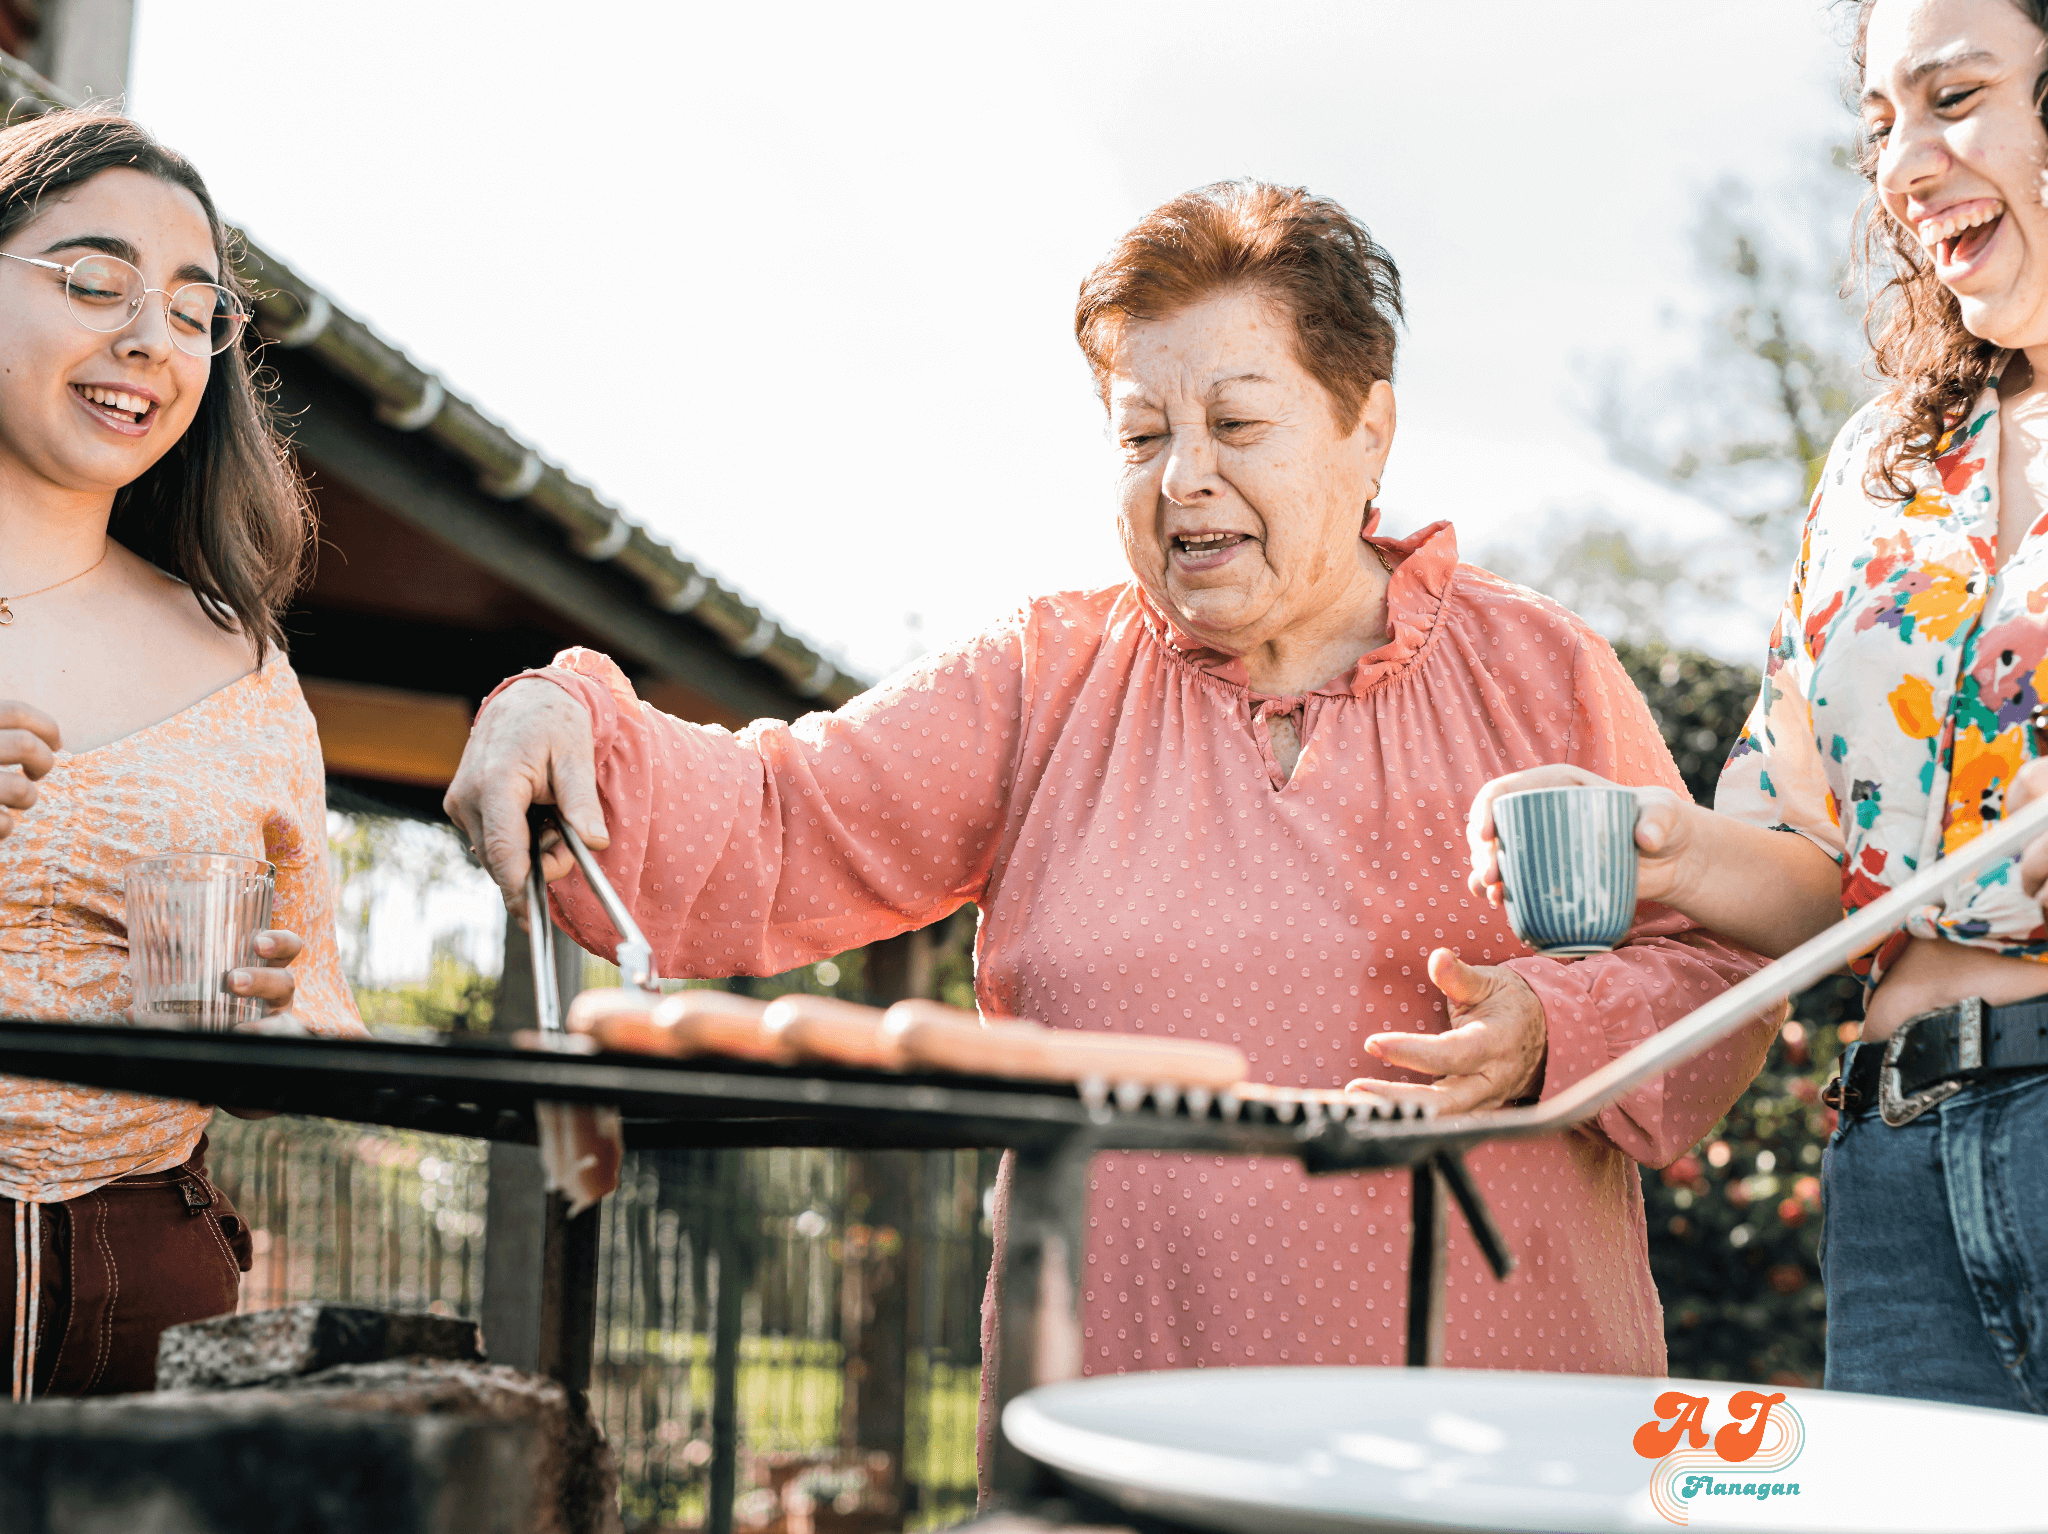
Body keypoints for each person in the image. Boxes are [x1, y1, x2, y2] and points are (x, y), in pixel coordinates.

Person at [448, 180, 1778, 1409]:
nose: (1182, 475)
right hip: (1118, 1429)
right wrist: (567, 715)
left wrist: (1553, 1025)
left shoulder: (1539, 671)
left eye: (1236, 423)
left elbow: (1710, 970)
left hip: (1490, 1438)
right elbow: (784, 816)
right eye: (1141, 434)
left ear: (1367, 425)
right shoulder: (1046, 678)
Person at [1467, 0, 2048, 1415]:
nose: (1905, 164)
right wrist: (1660, 846)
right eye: (1876, 126)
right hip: (1899, 1163)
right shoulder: (1881, 466)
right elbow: (1819, 869)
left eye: (1954, 96)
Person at [0, 109, 360, 1399]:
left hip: (147, 1295)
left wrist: (266, 1020)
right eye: (94, 282)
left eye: (195, 309)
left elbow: (309, 1000)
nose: (150, 337)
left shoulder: (241, 666)